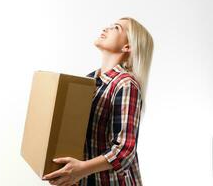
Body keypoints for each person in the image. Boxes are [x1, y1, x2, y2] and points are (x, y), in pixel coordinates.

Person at [42, 17, 154, 186]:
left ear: (127, 46)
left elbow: (125, 151)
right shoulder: (88, 81)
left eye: (116, 27)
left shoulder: (125, 84)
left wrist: (81, 169)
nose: (106, 28)